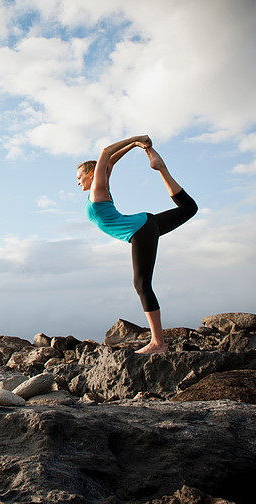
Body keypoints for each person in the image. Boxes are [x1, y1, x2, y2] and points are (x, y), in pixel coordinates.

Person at [77, 135, 198, 353]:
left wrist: (137, 138)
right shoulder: (101, 185)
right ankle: (161, 168)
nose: (78, 182)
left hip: (140, 230)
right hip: (145, 224)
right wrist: (133, 146)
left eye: (79, 177)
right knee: (190, 209)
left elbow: (105, 153)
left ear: (91, 175)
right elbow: (111, 162)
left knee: (141, 285)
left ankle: (158, 343)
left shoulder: (97, 188)